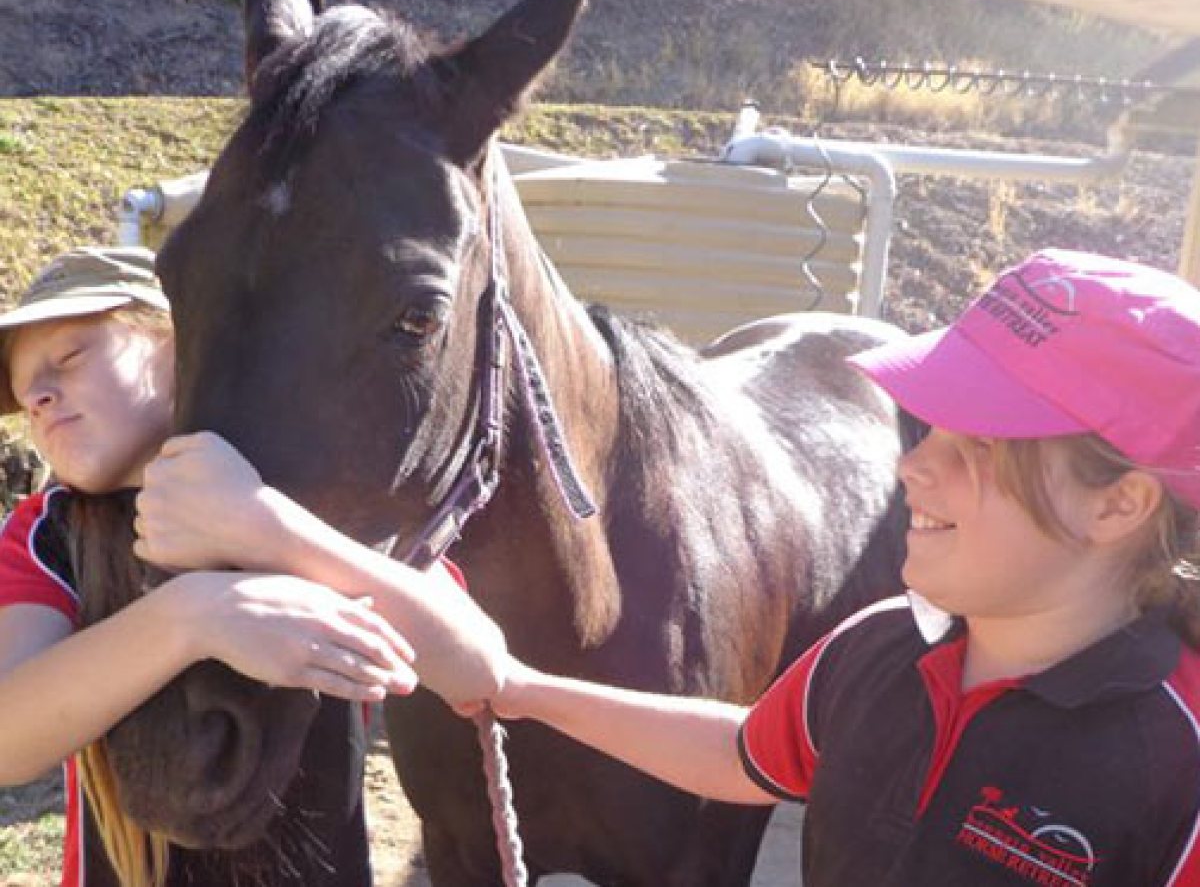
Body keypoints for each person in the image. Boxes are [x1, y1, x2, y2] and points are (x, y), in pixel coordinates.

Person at [139, 247, 1200, 886]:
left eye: (974, 449)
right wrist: (519, 688)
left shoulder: (1178, 758)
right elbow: (746, 754)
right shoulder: (880, 650)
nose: (912, 465)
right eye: (926, 426)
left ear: (1120, 501)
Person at [0, 246, 507, 887]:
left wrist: (260, 525)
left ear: (179, 343)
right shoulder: (47, 533)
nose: (39, 397)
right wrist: (194, 616)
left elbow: (479, 667)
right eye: (24, 393)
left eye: (69, 358)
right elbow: (7, 738)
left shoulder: (315, 498)